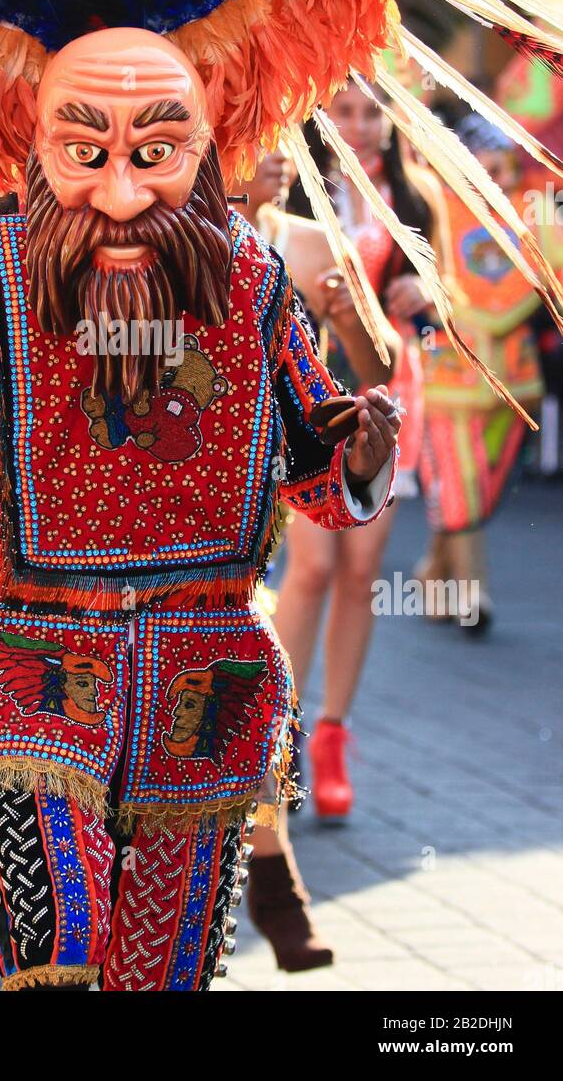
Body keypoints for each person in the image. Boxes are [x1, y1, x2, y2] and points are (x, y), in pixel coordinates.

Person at [0, 28, 401, 991]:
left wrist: (361, 453)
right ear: (38, 150)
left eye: (153, 154)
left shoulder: (251, 288)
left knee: (164, 975)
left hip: (204, 685)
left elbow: (317, 466)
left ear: (203, 152)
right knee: (56, 955)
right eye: (86, 154)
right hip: (33, 670)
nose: (121, 196)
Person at [235, 138, 401, 971]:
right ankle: (268, 866)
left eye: (280, 139)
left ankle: (274, 867)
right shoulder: (145, 246)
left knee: (239, 668)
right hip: (159, 497)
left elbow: (379, 366)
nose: (272, 158)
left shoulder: (304, 244)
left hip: (276, 478)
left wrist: (341, 318)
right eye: (250, 140)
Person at [271, 83, 446, 824]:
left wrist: (419, 296)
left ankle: (335, 732)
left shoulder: (414, 200)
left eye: (371, 111)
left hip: (385, 398)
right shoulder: (294, 203)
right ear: (318, 117)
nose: (358, 124)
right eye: (343, 109)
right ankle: (279, 730)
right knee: (310, 566)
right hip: (314, 399)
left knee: (362, 571)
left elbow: (438, 327)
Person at [417, 112, 563, 628]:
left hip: (515, 376)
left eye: (502, 159)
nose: (496, 170)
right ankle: (474, 595)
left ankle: (433, 572)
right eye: (485, 158)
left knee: (480, 481)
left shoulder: (533, 208)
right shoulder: (435, 202)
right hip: (451, 367)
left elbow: (553, 270)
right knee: (460, 479)